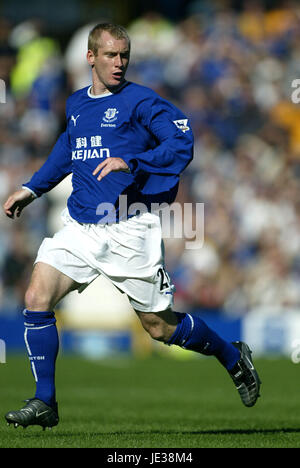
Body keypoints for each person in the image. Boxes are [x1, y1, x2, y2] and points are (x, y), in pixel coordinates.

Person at [3, 23, 261, 430]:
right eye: (110, 55)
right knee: (36, 297)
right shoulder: (75, 104)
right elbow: (66, 151)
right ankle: (45, 401)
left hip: (128, 227)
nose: (119, 63)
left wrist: (133, 162)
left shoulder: (142, 101)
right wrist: (31, 189)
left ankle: (232, 356)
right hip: (81, 226)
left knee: (160, 328)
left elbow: (180, 144)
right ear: (91, 57)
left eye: (124, 55)